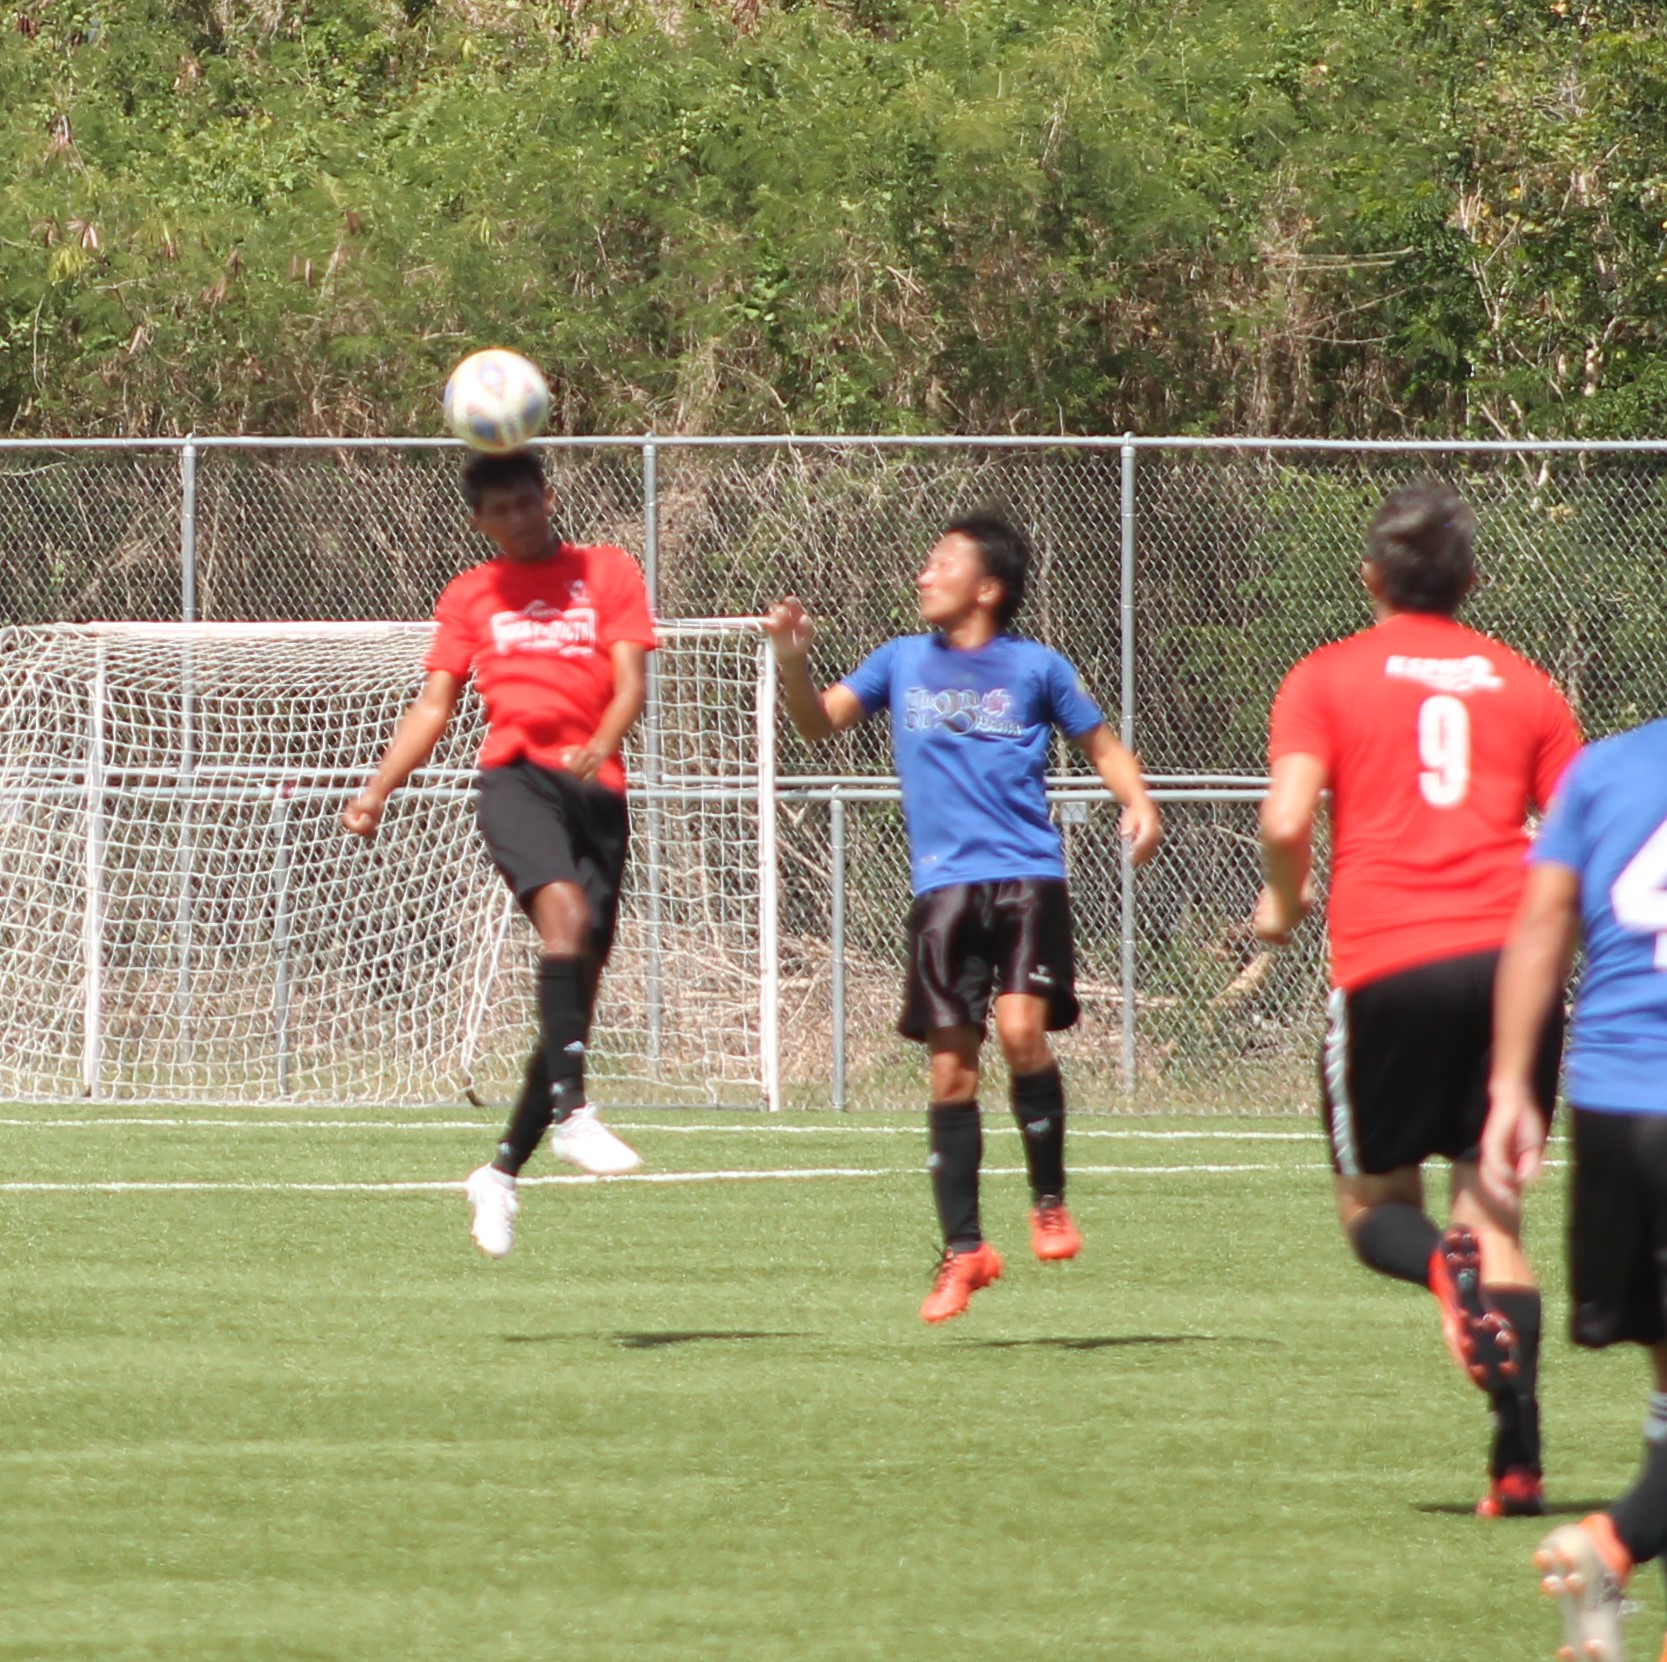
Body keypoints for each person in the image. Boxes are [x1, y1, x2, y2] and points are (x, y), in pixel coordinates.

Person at [1254, 479, 1580, 1515]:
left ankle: (1439, 1273)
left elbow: (1283, 816)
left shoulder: (1324, 676)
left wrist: (1281, 902)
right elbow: (1577, 831)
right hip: (1509, 971)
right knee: (1494, 1220)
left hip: (1387, 964)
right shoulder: (1524, 684)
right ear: (1470, 583)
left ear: (1370, 579)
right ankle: (1517, 1459)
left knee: (1373, 1216)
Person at [764, 513, 1162, 1324]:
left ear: (986, 587)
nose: (922, 575)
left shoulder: (1036, 667)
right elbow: (816, 725)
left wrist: (1138, 800)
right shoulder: (898, 661)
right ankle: (964, 1251)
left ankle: (1047, 1201)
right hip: (942, 892)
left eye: (939, 562)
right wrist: (792, 662)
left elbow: (1102, 746)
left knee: (1021, 1034)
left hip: (1026, 878)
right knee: (950, 1072)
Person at [343, 448, 657, 1258]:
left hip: (598, 790)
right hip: (516, 783)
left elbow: (629, 682)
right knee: (564, 918)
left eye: (528, 502)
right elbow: (434, 704)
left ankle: (501, 1171)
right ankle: (575, 1114)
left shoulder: (607, 571)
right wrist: (377, 788)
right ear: (480, 521)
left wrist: (604, 741)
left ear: (549, 499)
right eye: (501, 509)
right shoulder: (471, 594)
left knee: (573, 999)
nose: (519, 517)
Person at [1482, 716, 1667, 1662]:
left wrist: (1514, 1084)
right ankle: (1615, 1540)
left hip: (1610, 1108)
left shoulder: (1606, 770)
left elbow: (1541, 924)